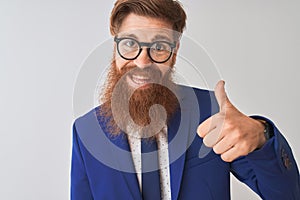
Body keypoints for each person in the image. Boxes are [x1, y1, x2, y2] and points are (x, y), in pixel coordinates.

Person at [70, 0, 300, 199]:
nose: (142, 62)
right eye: (130, 43)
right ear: (115, 44)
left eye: (159, 47)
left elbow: (287, 195)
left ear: (175, 50)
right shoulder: (86, 132)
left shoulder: (212, 112)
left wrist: (261, 136)